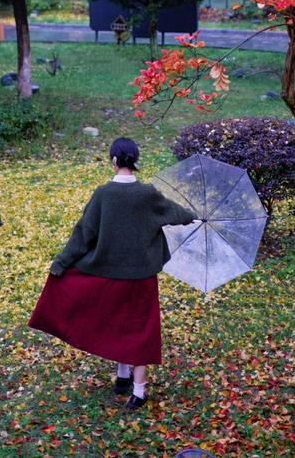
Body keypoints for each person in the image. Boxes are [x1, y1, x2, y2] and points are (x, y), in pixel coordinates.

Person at [28, 137, 198, 409]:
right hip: (142, 277)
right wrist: (192, 215)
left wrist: (61, 263)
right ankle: (137, 391)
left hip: (109, 275)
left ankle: (122, 377)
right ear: (135, 160)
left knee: (117, 322)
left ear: (114, 161)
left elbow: (84, 234)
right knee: (140, 328)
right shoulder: (148, 194)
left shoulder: (103, 194)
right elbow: (174, 212)